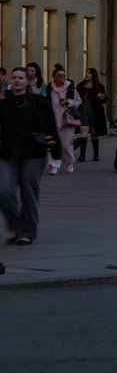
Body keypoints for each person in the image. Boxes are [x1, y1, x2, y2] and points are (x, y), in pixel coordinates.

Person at [0, 65, 60, 245]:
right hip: (8, 153)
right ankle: (16, 226)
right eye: (14, 77)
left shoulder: (38, 101)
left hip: (34, 153)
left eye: (21, 78)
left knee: (29, 192)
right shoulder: (4, 103)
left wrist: (56, 148)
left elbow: (50, 124)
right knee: (4, 191)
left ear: (27, 81)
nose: (17, 80)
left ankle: (28, 231)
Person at [45, 66, 82, 175]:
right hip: (53, 119)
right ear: (54, 77)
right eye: (59, 75)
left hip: (66, 119)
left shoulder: (70, 88)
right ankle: (54, 165)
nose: (62, 77)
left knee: (66, 144)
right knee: (53, 143)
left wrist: (68, 102)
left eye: (63, 75)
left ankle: (69, 163)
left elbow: (78, 100)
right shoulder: (50, 88)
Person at [76, 67, 109, 162]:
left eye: (89, 73)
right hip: (83, 112)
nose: (87, 74)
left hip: (95, 113)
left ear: (93, 75)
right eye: (86, 73)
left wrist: (101, 97)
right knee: (83, 131)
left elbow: (105, 99)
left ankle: (96, 154)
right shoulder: (81, 86)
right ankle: (82, 155)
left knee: (94, 133)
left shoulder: (99, 86)